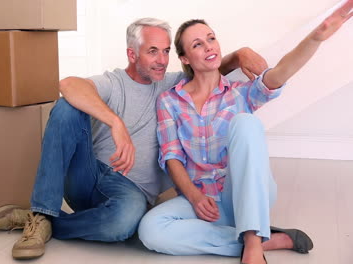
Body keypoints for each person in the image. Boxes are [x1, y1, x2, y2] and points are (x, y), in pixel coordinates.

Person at [0, 17, 267, 260]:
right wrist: (116, 123)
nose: (161, 60)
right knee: (68, 107)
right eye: (152, 52)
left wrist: (239, 54)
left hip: (130, 194)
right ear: (132, 54)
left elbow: (206, 65)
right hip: (89, 175)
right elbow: (67, 84)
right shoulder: (114, 82)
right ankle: (42, 209)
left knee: (124, 224)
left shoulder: (173, 85)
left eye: (166, 51)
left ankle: (44, 222)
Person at [137, 2, 352, 264]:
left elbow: (279, 73)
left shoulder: (240, 92)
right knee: (151, 230)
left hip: (245, 194)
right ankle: (269, 239)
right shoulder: (169, 101)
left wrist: (315, 38)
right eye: (197, 45)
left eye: (211, 39)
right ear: (184, 59)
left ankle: (252, 242)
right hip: (203, 199)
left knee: (245, 123)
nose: (209, 47)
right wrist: (194, 197)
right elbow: (172, 157)